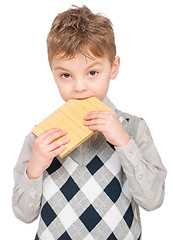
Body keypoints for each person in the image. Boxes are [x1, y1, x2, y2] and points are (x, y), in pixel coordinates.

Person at [12, 5, 167, 240]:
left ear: (113, 68)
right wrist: (34, 168)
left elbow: (153, 200)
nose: (80, 87)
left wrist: (124, 143)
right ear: (53, 74)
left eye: (92, 72)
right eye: (66, 75)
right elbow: (24, 214)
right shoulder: (39, 138)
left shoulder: (133, 128)